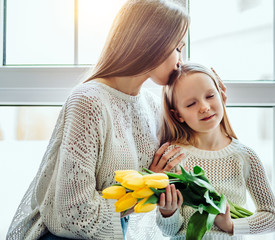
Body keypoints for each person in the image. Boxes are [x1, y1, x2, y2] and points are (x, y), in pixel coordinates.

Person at [6, 0, 190, 239]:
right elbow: (74, 212)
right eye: (178, 47)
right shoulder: (88, 101)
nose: (180, 59)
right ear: (152, 42)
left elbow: (180, 162)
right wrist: (144, 188)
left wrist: (213, 93)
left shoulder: (152, 106)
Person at [155, 63, 275, 239]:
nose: (204, 107)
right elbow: (170, 231)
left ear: (222, 95)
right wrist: (168, 212)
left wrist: (230, 225)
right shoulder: (175, 157)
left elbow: (272, 217)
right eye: (191, 104)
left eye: (210, 96)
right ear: (178, 115)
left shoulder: (245, 157)